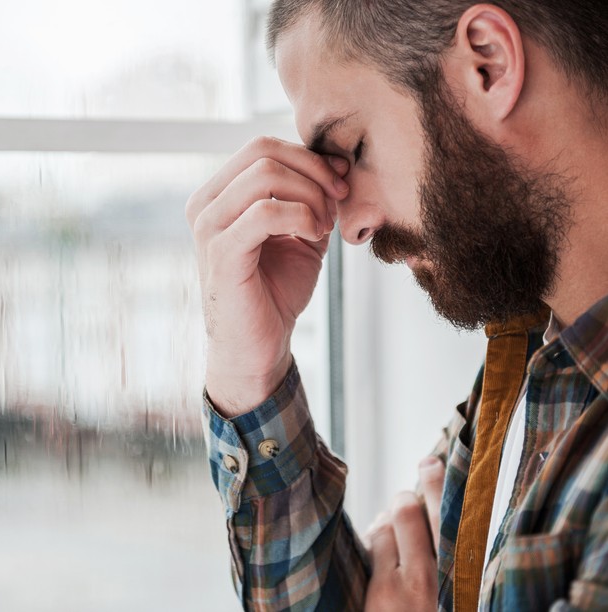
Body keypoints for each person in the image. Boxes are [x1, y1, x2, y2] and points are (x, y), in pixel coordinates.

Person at [186, 0, 608, 610]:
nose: (351, 227)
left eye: (353, 148)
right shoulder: (528, 369)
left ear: (487, 64)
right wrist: (249, 374)